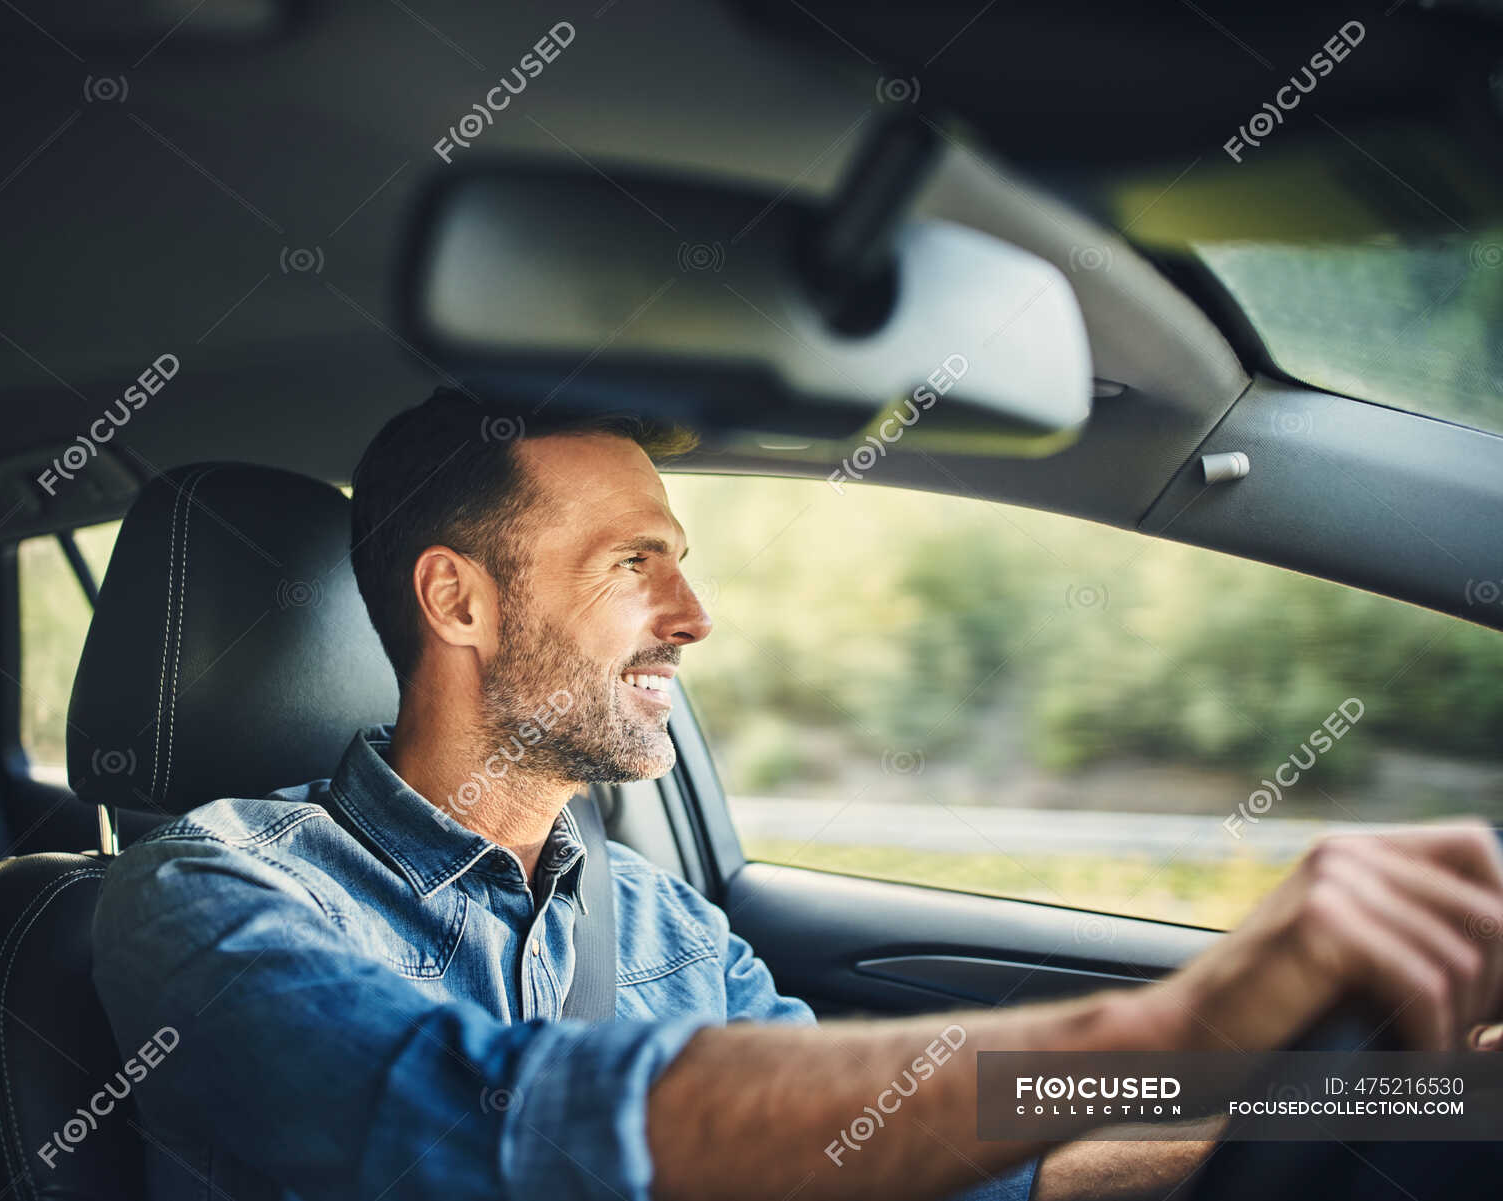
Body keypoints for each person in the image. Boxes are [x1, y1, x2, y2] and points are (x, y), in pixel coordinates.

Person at [91, 387, 1503, 1201]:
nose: (694, 614)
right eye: (632, 561)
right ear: (456, 599)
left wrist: (1381, 1103)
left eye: (681, 559)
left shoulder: (667, 930)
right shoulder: (213, 898)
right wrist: (1179, 1015)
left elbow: (935, 1151)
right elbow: (481, 1122)